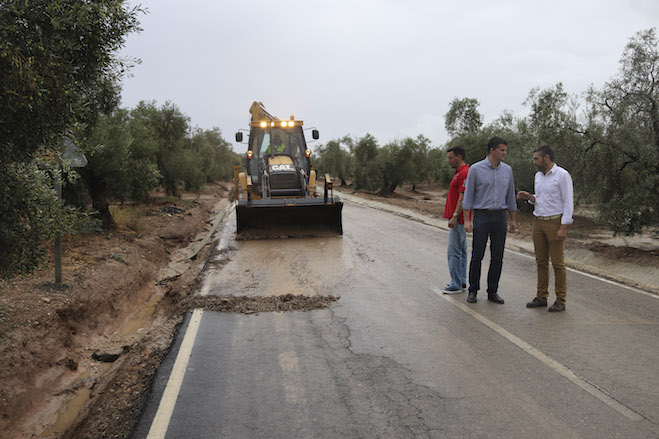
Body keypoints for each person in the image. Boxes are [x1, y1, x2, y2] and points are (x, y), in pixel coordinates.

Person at [517, 145, 573, 312]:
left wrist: (563, 227)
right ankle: (542, 296)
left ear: (546, 158)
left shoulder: (562, 175)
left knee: (557, 263)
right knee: (541, 261)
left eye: (536, 159)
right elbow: (541, 199)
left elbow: (568, 202)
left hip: (555, 222)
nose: (534, 162)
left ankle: (561, 300)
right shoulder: (538, 176)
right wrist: (530, 197)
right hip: (539, 221)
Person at [462, 137, 518, 304]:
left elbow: (510, 196)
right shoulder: (476, 169)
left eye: (505, 150)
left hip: (500, 217)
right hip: (482, 216)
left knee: (497, 256)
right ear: (492, 150)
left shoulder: (507, 170)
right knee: (477, 255)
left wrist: (513, 220)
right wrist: (467, 220)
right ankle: (473, 290)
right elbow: (468, 196)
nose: (504, 153)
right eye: (502, 150)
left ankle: (492, 291)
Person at [443, 146, 469, 294]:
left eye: (450, 158)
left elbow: (463, 197)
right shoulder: (459, 173)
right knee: (461, 250)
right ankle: (461, 280)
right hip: (458, 218)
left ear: (458, 157)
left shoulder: (465, 173)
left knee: (454, 251)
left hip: (458, 219)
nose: (448, 161)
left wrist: (454, 216)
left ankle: (456, 283)